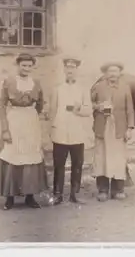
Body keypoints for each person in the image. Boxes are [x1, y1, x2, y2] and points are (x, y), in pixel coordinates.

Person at [0, 53, 48, 210]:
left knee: (30, 155)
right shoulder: (9, 82)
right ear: (18, 65)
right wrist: (5, 129)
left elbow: (40, 103)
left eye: (29, 66)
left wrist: (34, 115)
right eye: (23, 65)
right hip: (14, 120)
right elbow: (2, 106)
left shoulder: (36, 83)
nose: (26, 68)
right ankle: (9, 198)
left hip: (30, 121)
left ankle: (30, 197)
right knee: (12, 155)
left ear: (32, 67)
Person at [49, 56, 92, 205]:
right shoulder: (57, 89)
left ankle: (75, 194)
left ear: (76, 70)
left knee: (77, 163)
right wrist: (52, 128)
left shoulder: (83, 90)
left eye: (73, 68)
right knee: (59, 164)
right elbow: (52, 110)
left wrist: (78, 109)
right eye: (67, 67)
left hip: (77, 131)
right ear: (64, 70)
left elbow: (88, 110)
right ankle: (57, 194)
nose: (70, 70)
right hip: (60, 131)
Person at [91, 62, 134, 202]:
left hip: (119, 128)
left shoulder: (125, 88)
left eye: (115, 71)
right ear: (106, 73)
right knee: (101, 158)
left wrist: (130, 128)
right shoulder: (98, 87)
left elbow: (130, 109)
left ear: (119, 73)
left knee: (118, 158)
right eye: (110, 71)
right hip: (102, 126)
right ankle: (103, 190)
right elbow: (88, 104)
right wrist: (98, 107)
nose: (112, 74)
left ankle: (118, 190)